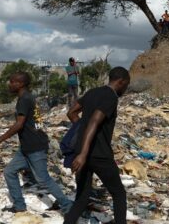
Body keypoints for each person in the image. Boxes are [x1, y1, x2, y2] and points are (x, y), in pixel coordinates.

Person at [0, 72, 72, 214]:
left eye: (12, 81)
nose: (9, 84)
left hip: (35, 146)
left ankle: (68, 207)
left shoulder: (25, 99)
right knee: (9, 171)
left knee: (43, 179)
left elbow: (19, 124)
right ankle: (19, 206)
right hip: (27, 146)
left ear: (20, 84)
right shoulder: (27, 97)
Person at [63, 67, 131, 224]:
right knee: (119, 193)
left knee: (82, 196)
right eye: (126, 85)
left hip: (82, 152)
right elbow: (95, 120)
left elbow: (71, 112)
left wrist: (81, 131)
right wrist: (83, 154)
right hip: (98, 154)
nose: (126, 89)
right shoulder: (111, 97)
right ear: (121, 82)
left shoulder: (92, 92)